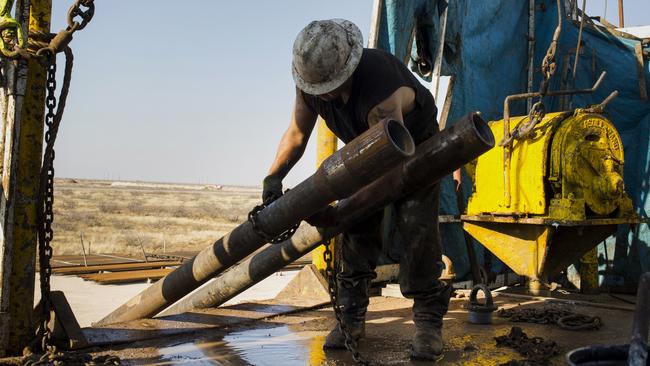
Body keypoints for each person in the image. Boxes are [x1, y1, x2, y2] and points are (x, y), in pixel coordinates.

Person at [262, 19, 451, 361]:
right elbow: (296, 134)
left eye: (332, 87)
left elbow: (391, 177)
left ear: (349, 68)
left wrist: (340, 210)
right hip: (369, 146)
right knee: (357, 232)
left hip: (415, 145)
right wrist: (273, 178)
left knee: (416, 227)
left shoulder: (381, 91)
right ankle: (350, 318)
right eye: (320, 89)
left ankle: (427, 323)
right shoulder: (311, 84)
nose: (327, 96)